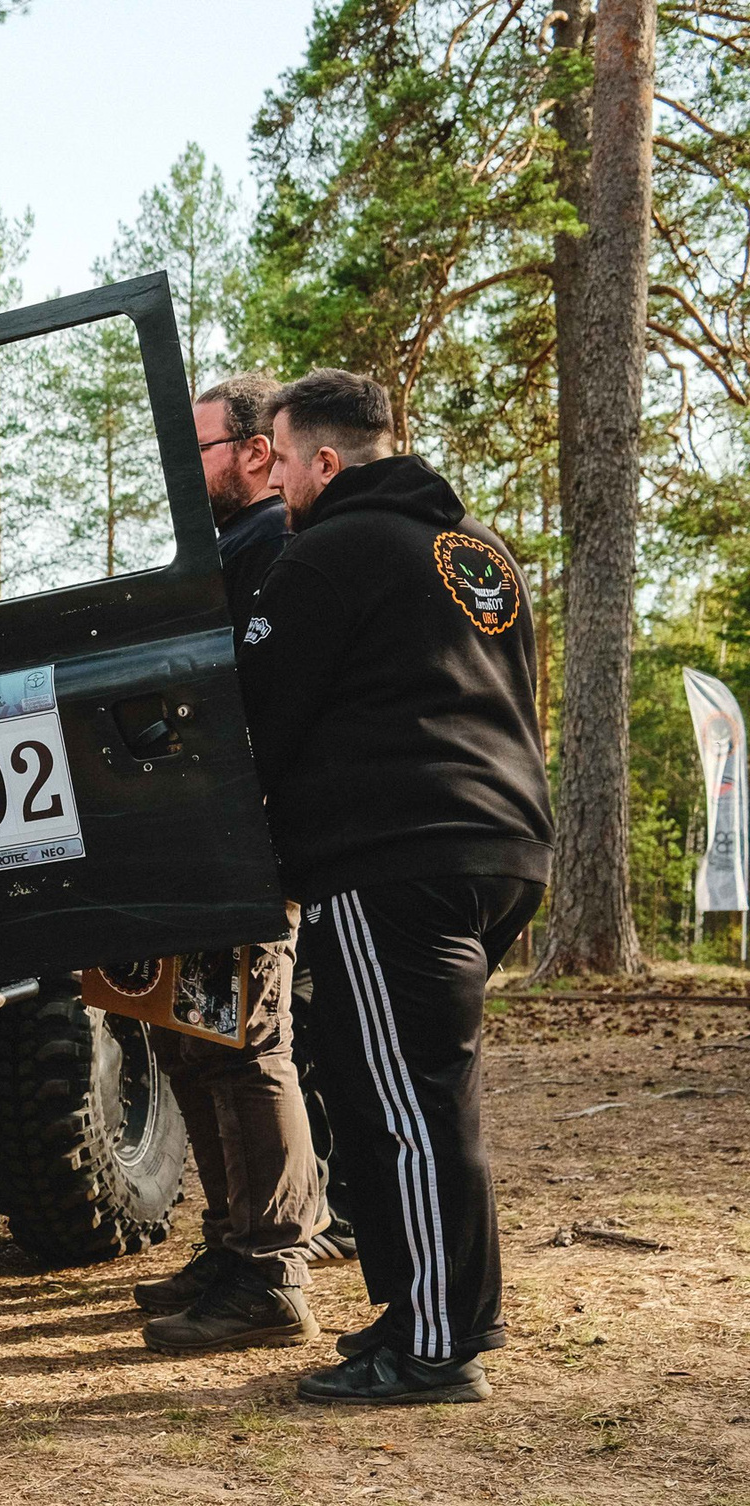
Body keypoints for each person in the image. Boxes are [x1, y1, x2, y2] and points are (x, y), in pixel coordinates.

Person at [238, 369, 552, 1405]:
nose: (274, 479)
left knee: (403, 1102)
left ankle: (432, 1346)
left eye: (279, 458)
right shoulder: (477, 552)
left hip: (393, 855)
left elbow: (261, 722)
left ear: (323, 461)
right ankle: (430, 1310)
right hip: (499, 849)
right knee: (417, 1090)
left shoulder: (328, 553)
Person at [130, 374, 328, 1355]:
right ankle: (231, 1243)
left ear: (257, 453)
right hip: (193, 839)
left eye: (199, 445)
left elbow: (262, 699)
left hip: (242, 844)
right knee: (192, 1044)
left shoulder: (278, 550)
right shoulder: (221, 551)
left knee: (247, 1049)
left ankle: (274, 1268)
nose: (185, 464)